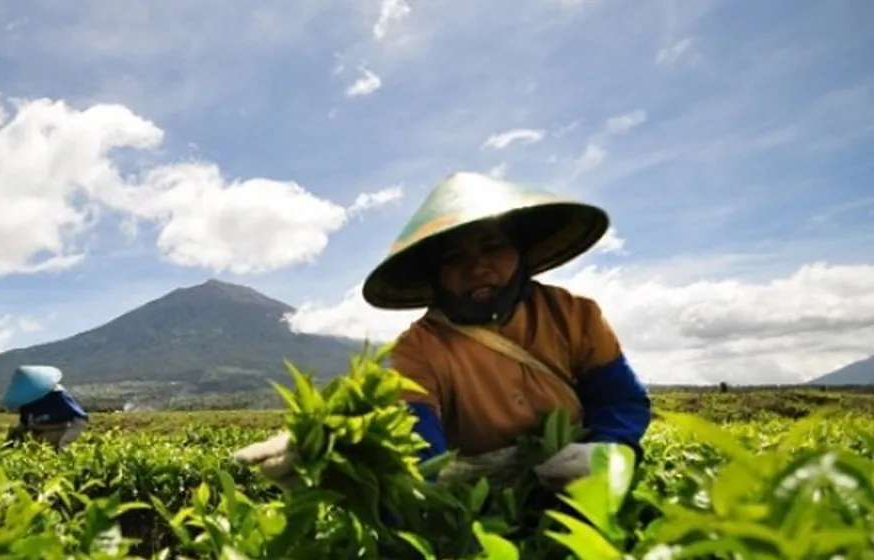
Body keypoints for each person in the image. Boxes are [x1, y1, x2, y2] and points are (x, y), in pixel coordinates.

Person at [234, 171, 651, 492]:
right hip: (487, 512)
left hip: (584, 501)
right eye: (454, 258)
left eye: (493, 248)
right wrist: (336, 455)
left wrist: (610, 449)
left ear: (520, 252)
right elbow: (417, 439)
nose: (478, 267)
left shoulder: (574, 315)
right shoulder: (420, 351)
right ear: (433, 274)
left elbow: (618, 399)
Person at [2, 365, 90, 451]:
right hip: (38, 440)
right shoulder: (26, 400)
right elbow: (24, 424)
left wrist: (65, 442)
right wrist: (12, 439)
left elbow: (81, 420)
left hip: (60, 435)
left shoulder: (57, 395)